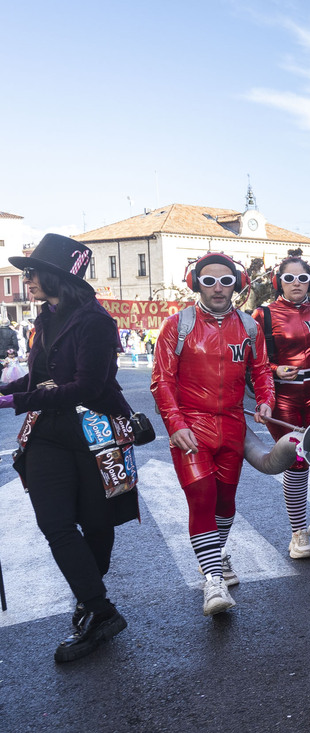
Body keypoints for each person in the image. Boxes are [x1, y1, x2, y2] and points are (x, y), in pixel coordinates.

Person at [0, 234, 136, 662]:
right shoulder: (44, 318)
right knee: (56, 525)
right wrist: (9, 389)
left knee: (98, 527)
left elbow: (89, 387)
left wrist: (21, 398)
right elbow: (41, 377)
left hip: (95, 436)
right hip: (46, 436)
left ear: (59, 276)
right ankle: (101, 610)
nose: (28, 279)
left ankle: (87, 598)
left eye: (34, 271)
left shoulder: (95, 321)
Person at [151, 252, 274, 616]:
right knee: (202, 496)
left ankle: (215, 555)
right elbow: (162, 381)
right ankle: (213, 579)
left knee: (225, 503)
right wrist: (175, 424)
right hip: (191, 428)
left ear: (237, 284)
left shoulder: (250, 327)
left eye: (226, 280)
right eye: (209, 281)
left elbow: (263, 371)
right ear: (195, 283)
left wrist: (266, 400)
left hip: (234, 427)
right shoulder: (178, 325)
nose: (218, 288)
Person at [253, 257, 310, 560]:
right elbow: (255, 362)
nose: (295, 283)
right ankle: (298, 532)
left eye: (301, 278)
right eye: (288, 278)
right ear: (277, 281)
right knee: (296, 463)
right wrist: (275, 369)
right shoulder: (263, 315)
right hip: (284, 399)